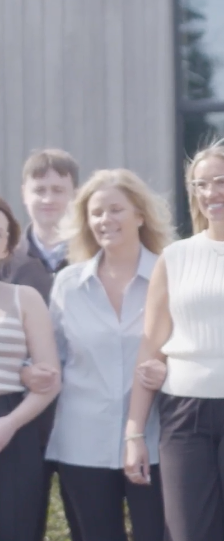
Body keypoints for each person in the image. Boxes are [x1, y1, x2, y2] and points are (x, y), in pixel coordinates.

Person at [125, 143, 224, 541]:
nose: (211, 193)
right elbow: (150, 347)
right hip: (182, 412)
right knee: (189, 531)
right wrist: (134, 432)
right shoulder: (174, 257)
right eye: (201, 184)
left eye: (221, 181)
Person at [47, 169, 173, 541]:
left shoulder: (172, 274)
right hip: (82, 443)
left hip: (156, 440)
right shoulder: (68, 284)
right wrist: (30, 372)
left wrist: (170, 372)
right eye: (96, 212)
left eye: (115, 209)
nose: (105, 220)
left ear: (139, 214)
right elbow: (53, 357)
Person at [0, 148, 82, 541]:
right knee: (22, 522)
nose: (48, 199)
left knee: (87, 520)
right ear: (23, 193)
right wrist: (21, 368)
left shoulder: (93, 256)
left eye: (58, 190)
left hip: (83, 412)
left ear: (74, 194)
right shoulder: (9, 259)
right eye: (39, 189)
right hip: (25, 416)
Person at [0, 197, 62, 541]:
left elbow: (50, 380)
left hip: (13, 425)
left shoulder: (25, 299)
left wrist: (9, 424)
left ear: (7, 245)